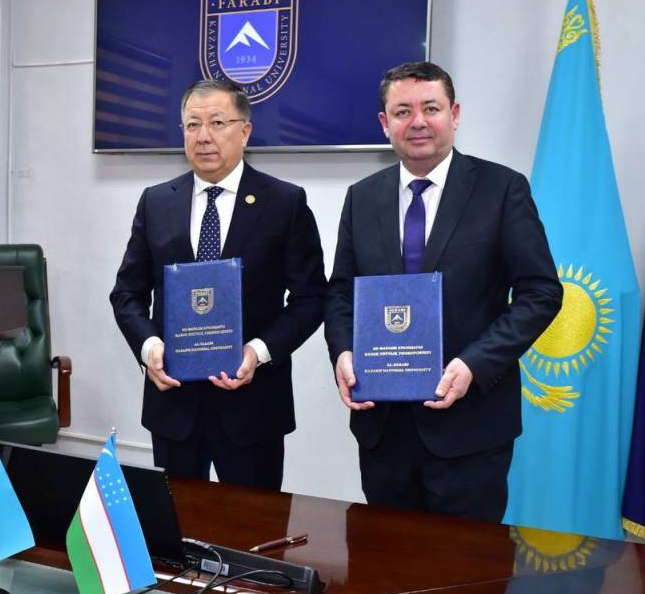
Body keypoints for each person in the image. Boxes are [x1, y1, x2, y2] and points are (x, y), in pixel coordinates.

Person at [324, 61, 562, 521]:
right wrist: (343, 352)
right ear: (385, 123)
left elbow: (541, 293)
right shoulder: (361, 196)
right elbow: (341, 292)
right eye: (403, 111)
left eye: (430, 108)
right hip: (383, 430)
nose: (417, 121)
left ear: (454, 114)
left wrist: (475, 363)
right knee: (387, 559)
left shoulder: (502, 188)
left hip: (471, 428)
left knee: (467, 564)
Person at [110, 80, 327, 490]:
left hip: (253, 405)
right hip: (173, 404)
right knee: (176, 522)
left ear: (245, 131)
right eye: (192, 124)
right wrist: (149, 347)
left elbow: (311, 298)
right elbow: (127, 294)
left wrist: (258, 352)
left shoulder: (285, 202)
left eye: (217, 122)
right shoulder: (156, 201)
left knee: (253, 524)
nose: (203, 136)